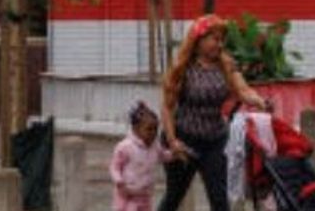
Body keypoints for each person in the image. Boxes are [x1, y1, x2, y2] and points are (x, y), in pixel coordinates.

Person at [158, 15, 270, 211]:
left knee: (219, 199)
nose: (219, 44)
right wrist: (173, 141)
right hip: (184, 140)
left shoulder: (226, 65)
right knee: (174, 196)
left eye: (221, 40)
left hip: (214, 141)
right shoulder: (183, 68)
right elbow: (167, 107)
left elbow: (243, 90)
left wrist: (260, 101)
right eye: (214, 39)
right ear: (199, 40)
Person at [111, 100, 170, 211]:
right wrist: (119, 182)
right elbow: (115, 167)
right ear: (136, 129)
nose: (153, 133)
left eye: (156, 129)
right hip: (127, 194)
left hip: (144, 193)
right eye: (149, 129)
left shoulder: (155, 146)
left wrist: (174, 154)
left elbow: (163, 156)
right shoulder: (125, 147)